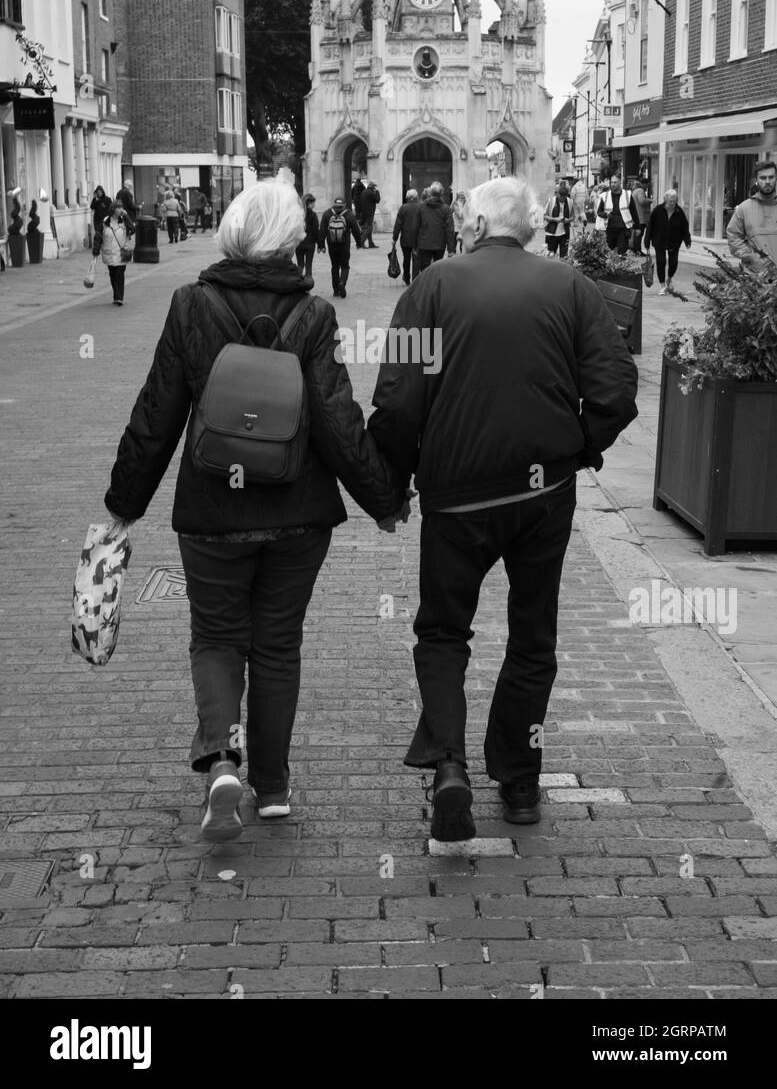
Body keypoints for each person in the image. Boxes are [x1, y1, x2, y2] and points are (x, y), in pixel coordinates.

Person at [103, 180, 408, 842]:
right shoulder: (314, 315)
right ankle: (271, 787)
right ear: (293, 239)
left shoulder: (190, 304)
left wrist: (124, 504)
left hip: (212, 509)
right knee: (277, 646)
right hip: (298, 513)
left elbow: (157, 412)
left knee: (215, 638)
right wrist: (382, 500)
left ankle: (221, 760)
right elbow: (336, 420)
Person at [368, 176, 638, 841]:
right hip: (540, 493)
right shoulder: (570, 287)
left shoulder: (428, 289)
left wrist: (390, 486)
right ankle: (517, 780)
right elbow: (614, 390)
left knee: (441, 631)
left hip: (456, 493)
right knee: (532, 634)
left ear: (472, 221)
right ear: (530, 223)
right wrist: (579, 448)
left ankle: (450, 766)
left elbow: (398, 400)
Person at [726, 159, 777, 271]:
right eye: (763, 178)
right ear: (756, 180)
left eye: (771, 177)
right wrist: (752, 258)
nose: (767, 181)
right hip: (755, 278)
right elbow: (733, 236)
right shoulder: (744, 209)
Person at [644, 190, 691, 294]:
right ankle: (662, 286)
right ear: (665, 200)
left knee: (673, 263)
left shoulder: (679, 211)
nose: (672, 203)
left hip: (674, 241)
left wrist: (687, 240)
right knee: (661, 262)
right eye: (670, 201)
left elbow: (684, 227)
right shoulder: (658, 210)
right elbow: (650, 226)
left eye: (674, 201)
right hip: (659, 240)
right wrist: (647, 241)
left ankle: (669, 279)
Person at [318, 195, 362, 298]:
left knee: (334, 266)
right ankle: (342, 282)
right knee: (345, 266)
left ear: (334, 204)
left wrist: (321, 245)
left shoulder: (327, 214)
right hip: (344, 245)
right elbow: (356, 230)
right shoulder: (349, 214)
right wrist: (358, 243)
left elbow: (322, 230)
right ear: (344, 205)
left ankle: (336, 290)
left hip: (331, 245)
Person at [409, 180, 455, 272]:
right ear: (442, 193)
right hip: (440, 244)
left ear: (431, 193)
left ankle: (426, 285)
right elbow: (449, 230)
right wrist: (451, 249)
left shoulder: (421, 207)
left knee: (425, 270)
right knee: (438, 268)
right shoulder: (446, 209)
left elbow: (415, 227)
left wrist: (414, 245)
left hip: (424, 244)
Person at [595, 174, 640, 255]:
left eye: (615, 182)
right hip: (609, 229)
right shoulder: (605, 196)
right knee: (608, 253)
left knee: (622, 252)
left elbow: (634, 212)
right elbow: (599, 212)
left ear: (620, 183)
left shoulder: (627, 195)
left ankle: (621, 266)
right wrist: (606, 214)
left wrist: (637, 227)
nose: (613, 184)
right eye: (611, 182)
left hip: (623, 228)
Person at [101, 202, 131, 306]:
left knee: (119, 274)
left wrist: (126, 217)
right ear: (113, 209)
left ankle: (119, 298)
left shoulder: (124, 221)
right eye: (118, 208)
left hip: (122, 252)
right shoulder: (106, 221)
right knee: (113, 275)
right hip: (109, 251)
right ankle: (116, 294)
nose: (121, 210)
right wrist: (95, 250)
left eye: (122, 207)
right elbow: (99, 235)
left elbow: (133, 229)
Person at [392, 189, 421, 284]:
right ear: (416, 197)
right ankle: (415, 278)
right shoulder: (421, 207)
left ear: (407, 197)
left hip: (405, 238)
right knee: (416, 258)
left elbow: (398, 224)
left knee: (406, 258)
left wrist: (394, 238)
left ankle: (406, 277)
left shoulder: (403, 208)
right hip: (418, 238)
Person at [543, 179, 572, 258]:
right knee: (551, 256)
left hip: (564, 234)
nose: (561, 199)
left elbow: (573, 217)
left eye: (563, 198)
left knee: (564, 257)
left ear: (566, 196)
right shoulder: (551, 201)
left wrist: (568, 220)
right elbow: (544, 216)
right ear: (558, 194)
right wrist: (555, 219)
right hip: (552, 233)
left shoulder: (570, 202)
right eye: (560, 197)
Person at [296, 194, 319, 279]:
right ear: (309, 203)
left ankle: (297, 285)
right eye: (313, 203)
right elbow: (316, 231)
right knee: (308, 266)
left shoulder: (297, 214)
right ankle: (307, 289)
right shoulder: (313, 215)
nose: (314, 205)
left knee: (300, 265)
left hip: (299, 243)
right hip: (310, 244)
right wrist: (320, 245)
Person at [630, 176, 652, 253]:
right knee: (640, 235)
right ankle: (638, 250)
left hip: (637, 216)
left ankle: (635, 250)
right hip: (641, 217)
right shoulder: (640, 191)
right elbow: (642, 201)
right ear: (644, 184)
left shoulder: (635, 191)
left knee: (637, 234)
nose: (647, 186)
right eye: (647, 184)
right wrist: (651, 200)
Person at [90, 186, 112, 257]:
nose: (99, 193)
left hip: (105, 219)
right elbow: (92, 207)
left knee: (105, 233)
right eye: (98, 192)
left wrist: (109, 217)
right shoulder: (96, 200)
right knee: (98, 234)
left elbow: (111, 208)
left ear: (102, 192)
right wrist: (94, 198)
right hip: (97, 220)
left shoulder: (107, 199)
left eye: (100, 192)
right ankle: (98, 248)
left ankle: (106, 246)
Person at [358, 180, 381, 248]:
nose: (375, 188)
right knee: (369, 228)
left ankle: (371, 243)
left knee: (367, 228)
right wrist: (377, 192)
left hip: (364, 213)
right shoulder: (370, 193)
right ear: (372, 186)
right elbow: (377, 200)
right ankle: (361, 242)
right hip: (369, 213)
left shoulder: (364, 191)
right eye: (374, 187)